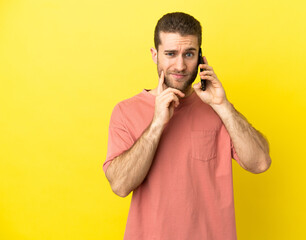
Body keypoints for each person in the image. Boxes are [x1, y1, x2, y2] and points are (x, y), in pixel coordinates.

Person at [103, 12, 271, 240]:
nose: (180, 65)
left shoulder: (217, 108)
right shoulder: (125, 111)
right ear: (155, 55)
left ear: (200, 56)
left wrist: (223, 106)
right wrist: (156, 124)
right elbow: (120, 186)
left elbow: (260, 162)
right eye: (170, 54)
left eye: (189, 54)